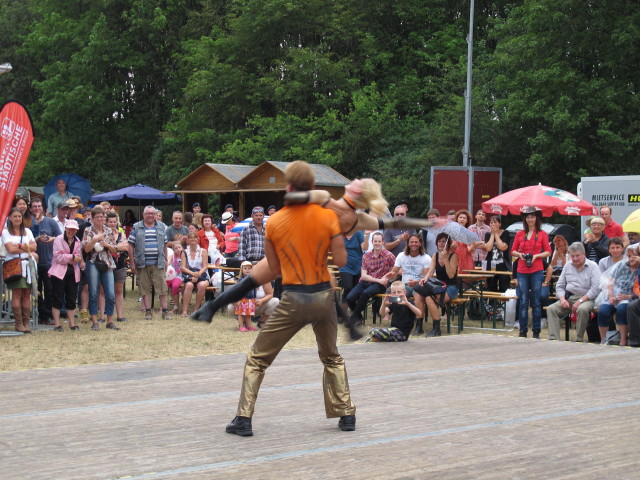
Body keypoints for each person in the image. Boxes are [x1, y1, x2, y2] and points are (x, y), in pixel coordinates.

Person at [192, 178, 439, 323]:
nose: (353, 181)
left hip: (299, 252)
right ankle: (210, 309)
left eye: (357, 183)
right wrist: (429, 223)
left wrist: (295, 191)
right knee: (252, 281)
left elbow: (395, 223)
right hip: (300, 252)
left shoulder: (333, 204)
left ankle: (210, 308)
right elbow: (395, 223)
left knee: (252, 282)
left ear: (357, 192)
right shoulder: (355, 218)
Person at [225, 160, 355, 437]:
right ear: (313, 187)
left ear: (288, 186)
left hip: (295, 297)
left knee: (257, 359)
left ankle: (243, 418)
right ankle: (346, 413)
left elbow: (274, 267)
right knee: (331, 356)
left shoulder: (276, 221)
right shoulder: (327, 217)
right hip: (323, 295)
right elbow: (342, 260)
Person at [547, 242, 601, 342]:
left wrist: (580, 301)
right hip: (570, 297)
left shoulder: (593, 266)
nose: (575, 259)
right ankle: (554, 339)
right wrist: (562, 299)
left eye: (577, 256)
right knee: (551, 309)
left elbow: (595, 289)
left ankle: (579, 339)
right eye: (572, 256)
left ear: (584, 254)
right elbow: (560, 286)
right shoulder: (567, 266)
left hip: (588, 298)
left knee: (582, 309)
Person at [510, 206, 551, 338]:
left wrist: (536, 256)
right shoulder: (520, 234)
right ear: (525, 219)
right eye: (527, 217)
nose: (530, 219)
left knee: (536, 301)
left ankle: (536, 331)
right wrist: (521, 255)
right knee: (523, 301)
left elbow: (548, 251)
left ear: (536, 218)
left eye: (532, 217)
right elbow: (513, 250)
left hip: (537, 269)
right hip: (522, 269)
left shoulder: (542, 234)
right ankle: (522, 330)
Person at [127, 205, 172, 320]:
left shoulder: (161, 226)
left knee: (162, 287)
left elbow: (165, 244)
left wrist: (166, 259)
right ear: (144, 215)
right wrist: (132, 263)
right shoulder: (136, 227)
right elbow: (130, 246)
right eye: (148, 213)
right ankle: (148, 311)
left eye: (152, 213)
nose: (150, 216)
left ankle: (165, 311)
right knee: (144, 288)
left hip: (158, 263)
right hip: (142, 263)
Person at [413, 232, 459, 337]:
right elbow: (430, 271)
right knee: (417, 294)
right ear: (436, 243)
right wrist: (425, 279)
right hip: (438, 285)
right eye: (439, 241)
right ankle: (419, 326)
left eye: (444, 242)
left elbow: (451, 275)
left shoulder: (453, 256)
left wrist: (446, 260)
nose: (441, 244)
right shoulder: (435, 255)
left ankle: (436, 328)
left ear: (448, 243)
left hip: (451, 287)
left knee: (429, 298)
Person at [384, 234, 431, 334]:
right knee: (393, 294)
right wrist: (391, 274)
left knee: (418, 294)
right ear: (408, 243)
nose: (413, 244)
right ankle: (392, 316)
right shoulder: (401, 255)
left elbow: (427, 277)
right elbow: (395, 272)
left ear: (420, 244)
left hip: (419, 284)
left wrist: (416, 282)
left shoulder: (426, 258)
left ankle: (419, 326)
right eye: (411, 242)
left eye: (416, 242)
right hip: (405, 285)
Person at [345, 232, 395, 325]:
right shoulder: (366, 256)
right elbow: (364, 275)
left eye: (379, 241)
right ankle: (359, 317)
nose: (377, 243)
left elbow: (398, 268)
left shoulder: (389, 255)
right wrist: (378, 279)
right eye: (375, 241)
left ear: (383, 242)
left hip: (380, 285)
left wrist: (390, 275)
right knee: (349, 298)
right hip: (366, 281)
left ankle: (353, 318)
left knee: (365, 293)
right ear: (372, 242)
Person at [83, 206, 119, 331]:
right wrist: (94, 239)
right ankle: (95, 321)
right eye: (97, 216)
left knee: (110, 293)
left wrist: (107, 244)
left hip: (107, 263)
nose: (100, 219)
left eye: (102, 216)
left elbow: (115, 250)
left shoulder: (109, 231)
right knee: (93, 293)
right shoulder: (88, 230)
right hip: (93, 262)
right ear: (92, 218)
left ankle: (109, 320)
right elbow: (86, 249)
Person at [2, 208, 37, 333]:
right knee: (17, 293)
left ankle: (26, 322)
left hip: (28, 266)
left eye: (19, 216)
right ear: (10, 218)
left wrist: (20, 246)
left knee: (27, 293)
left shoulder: (27, 231)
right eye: (15, 216)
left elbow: (35, 246)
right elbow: (10, 249)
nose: (17, 218)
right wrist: (27, 248)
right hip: (14, 266)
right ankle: (19, 323)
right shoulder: (6, 232)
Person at [595, 246, 639, 346]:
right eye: (629, 256)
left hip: (630, 298)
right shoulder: (622, 265)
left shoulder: (639, 269)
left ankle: (623, 339)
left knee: (622, 309)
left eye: (634, 256)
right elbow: (610, 281)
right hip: (614, 295)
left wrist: (627, 296)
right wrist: (611, 296)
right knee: (603, 311)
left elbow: (637, 290)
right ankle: (603, 339)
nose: (631, 258)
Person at [30, 197, 62, 325]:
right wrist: (37, 236)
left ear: (43, 208)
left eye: (39, 206)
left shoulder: (50, 222)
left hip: (49, 261)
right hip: (34, 262)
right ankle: (38, 314)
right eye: (34, 206)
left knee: (49, 290)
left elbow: (60, 237)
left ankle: (47, 314)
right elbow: (29, 239)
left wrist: (51, 238)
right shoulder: (29, 222)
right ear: (31, 209)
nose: (37, 208)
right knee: (36, 290)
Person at [49, 219, 84, 331]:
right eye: (70, 229)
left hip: (73, 273)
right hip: (59, 273)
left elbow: (78, 256)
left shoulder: (77, 240)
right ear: (66, 228)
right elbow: (58, 257)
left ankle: (72, 324)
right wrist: (72, 257)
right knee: (57, 297)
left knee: (71, 298)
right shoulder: (58, 239)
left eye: (74, 230)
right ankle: (57, 324)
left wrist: (69, 257)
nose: (71, 231)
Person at [180, 232, 210, 317]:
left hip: (202, 274)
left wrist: (198, 274)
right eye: (190, 238)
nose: (192, 239)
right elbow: (183, 267)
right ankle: (184, 311)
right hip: (189, 274)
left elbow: (205, 266)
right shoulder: (184, 252)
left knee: (201, 285)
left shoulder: (203, 251)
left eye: (194, 237)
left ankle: (196, 310)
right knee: (189, 285)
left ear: (198, 239)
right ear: (188, 241)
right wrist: (192, 274)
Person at [108, 211, 130, 323]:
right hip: (106, 264)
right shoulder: (104, 234)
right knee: (105, 290)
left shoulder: (121, 234)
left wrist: (112, 247)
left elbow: (126, 247)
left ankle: (120, 315)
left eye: (114, 221)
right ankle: (104, 315)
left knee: (118, 290)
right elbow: (104, 247)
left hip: (120, 264)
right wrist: (117, 247)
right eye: (110, 222)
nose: (112, 224)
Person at [338, 229, 365, 312]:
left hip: (358, 264)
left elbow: (364, 247)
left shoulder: (359, 233)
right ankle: (342, 312)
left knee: (355, 290)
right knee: (348, 287)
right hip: (345, 265)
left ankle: (354, 312)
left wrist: (366, 236)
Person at [483, 215, 511, 292]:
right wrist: (493, 234)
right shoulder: (488, 234)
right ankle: (492, 304)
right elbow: (488, 248)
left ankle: (503, 304)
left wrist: (496, 234)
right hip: (491, 264)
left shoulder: (505, 233)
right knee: (491, 287)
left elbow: (502, 247)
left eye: (495, 222)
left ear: (500, 224)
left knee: (504, 287)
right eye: (491, 222)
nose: (493, 224)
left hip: (503, 265)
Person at [235, 261, 258, 331]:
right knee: (241, 313)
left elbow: (254, 290)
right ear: (242, 270)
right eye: (245, 268)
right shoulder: (241, 280)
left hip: (250, 299)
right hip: (242, 299)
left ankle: (249, 325)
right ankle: (241, 326)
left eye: (249, 268)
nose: (247, 270)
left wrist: (254, 298)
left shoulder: (253, 279)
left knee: (248, 314)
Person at [453, 209, 474, 275]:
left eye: (464, 218)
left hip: (466, 258)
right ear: (457, 219)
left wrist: (471, 248)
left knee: (466, 281)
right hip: (454, 257)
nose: (462, 219)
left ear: (467, 221)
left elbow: (472, 249)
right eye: (460, 217)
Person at [166, 241, 184, 313]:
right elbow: (168, 262)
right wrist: (167, 264)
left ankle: (176, 306)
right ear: (173, 249)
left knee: (175, 285)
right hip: (172, 275)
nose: (178, 249)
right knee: (164, 285)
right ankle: (163, 306)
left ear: (182, 248)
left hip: (181, 276)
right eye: (176, 248)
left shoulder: (185, 256)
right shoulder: (172, 256)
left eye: (179, 247)